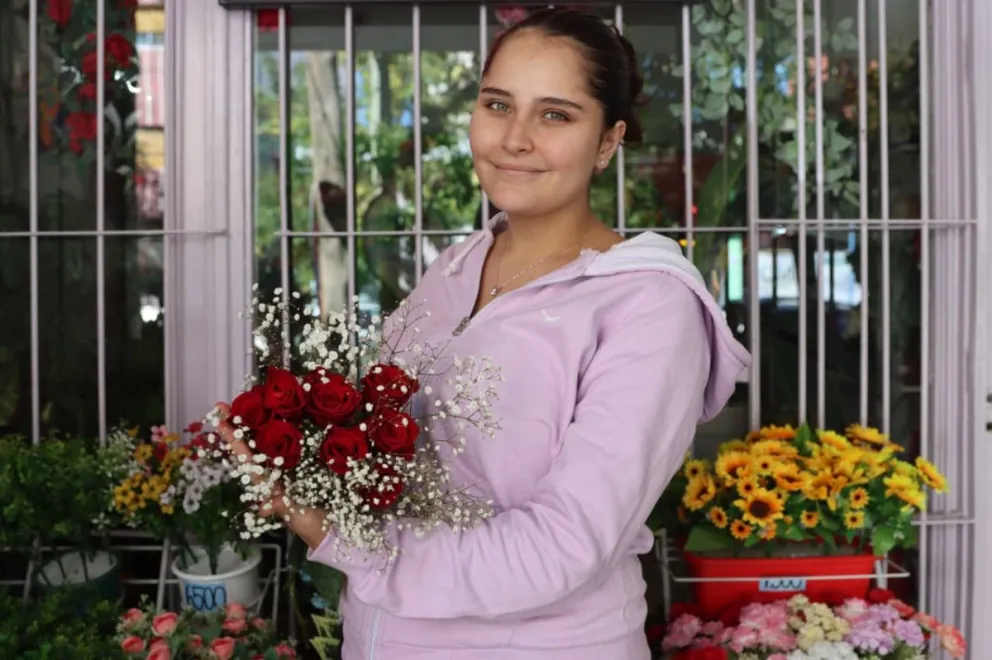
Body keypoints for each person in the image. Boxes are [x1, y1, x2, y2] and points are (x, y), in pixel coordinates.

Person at [227, 8, 750, 658]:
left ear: (608, 141)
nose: (514, 138)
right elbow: (388, 452)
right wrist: (300, 452)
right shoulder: (455, 266)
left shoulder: (646, 304)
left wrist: (341, 535)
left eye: (555, 114)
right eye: (498, 104)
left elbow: (567, 544)